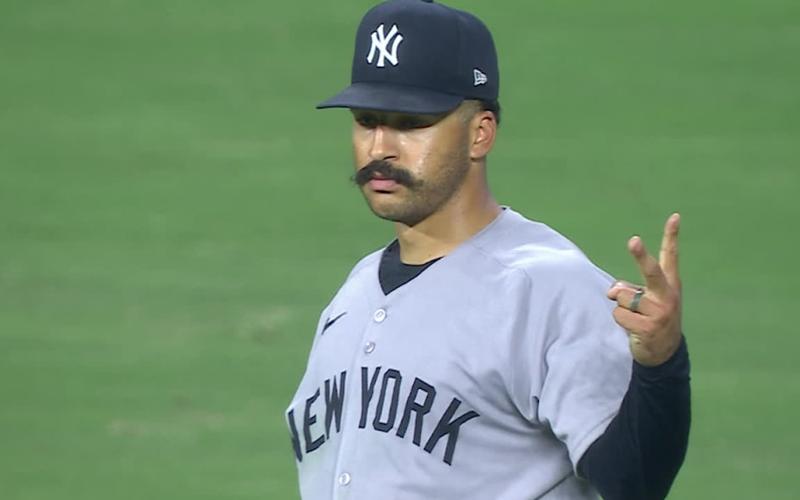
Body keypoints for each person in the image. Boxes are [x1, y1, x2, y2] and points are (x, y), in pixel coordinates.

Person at [285, 1, 690, 498]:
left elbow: (634, 483)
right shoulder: (351, 297)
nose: (379, 148)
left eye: (411, 124)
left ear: (480, 133)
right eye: (367, 120)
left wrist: (662, 364)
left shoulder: (546, 287)